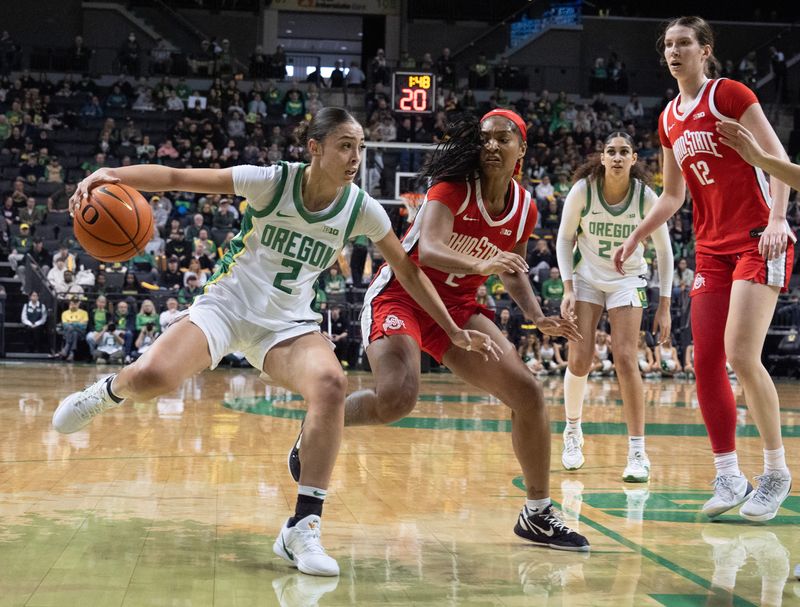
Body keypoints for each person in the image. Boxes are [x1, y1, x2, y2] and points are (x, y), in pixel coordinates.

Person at [52, 107, 496, 577]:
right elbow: (177, 175)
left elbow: (407, 271)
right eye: (346, 145)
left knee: (330, 385)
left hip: (287, 326)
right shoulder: (271, 182)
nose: (355, 157)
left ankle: (302, 527)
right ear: (315, 148)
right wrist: (112, 174)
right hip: (226, 307)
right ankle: (106, 392)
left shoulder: (360, 208)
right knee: (152, 376)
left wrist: (450, 329)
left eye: (360, 147)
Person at [289, 109, 589, 551]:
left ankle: (538, 513)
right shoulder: (451, 188)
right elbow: (427, 250)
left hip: (459, 307)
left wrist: (537, 314)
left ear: (521, 149)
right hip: (401, 295)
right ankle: (317, 425)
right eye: (484, 138)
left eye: (503, 139)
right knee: (398, 397)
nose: (491, 145)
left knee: (527, 393)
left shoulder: (524, 206)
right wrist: (480, 262)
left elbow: (513, 269)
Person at [613, 16, 795, 521]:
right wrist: (635, 234)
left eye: (684, 43)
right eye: (668, 45)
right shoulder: (669, 117)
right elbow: (673, 194)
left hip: (760, 239)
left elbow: (775, 160)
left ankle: (777, 472)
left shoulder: (730, 94)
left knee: (740, 353)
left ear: (705, 49)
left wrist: (780, 218)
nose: (674, 52)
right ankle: (729, 474)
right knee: (704, 360)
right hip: (711, 249)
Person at [556, 130, 673, 481]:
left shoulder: (645, 197)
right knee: (580, 357)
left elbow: (664, 252)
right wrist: (567, 287)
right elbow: (564, 238)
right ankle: (573, 432)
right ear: (602, 157)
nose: (618, 157)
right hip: (587, 277)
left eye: (625, 151)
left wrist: (664, 304)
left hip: (628, 279)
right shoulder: (584, 190)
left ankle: (638, 451)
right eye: (611, 151)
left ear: (634, 159)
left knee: (625, 357)